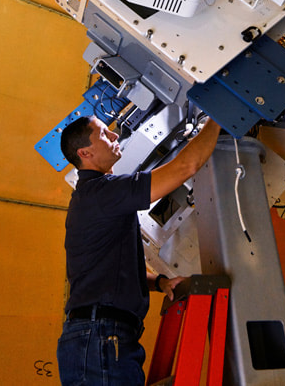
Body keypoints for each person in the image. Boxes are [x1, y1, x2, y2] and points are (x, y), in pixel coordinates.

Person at [56, 114, 221, 386]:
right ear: (85, 153)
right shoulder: (101, 193)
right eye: (104, 134)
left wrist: (160, 282)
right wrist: (217, 119)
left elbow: (107, 272)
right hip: (101, 339)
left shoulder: (94, 196)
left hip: (100, 338)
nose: (114, 136)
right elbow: (186, 167)